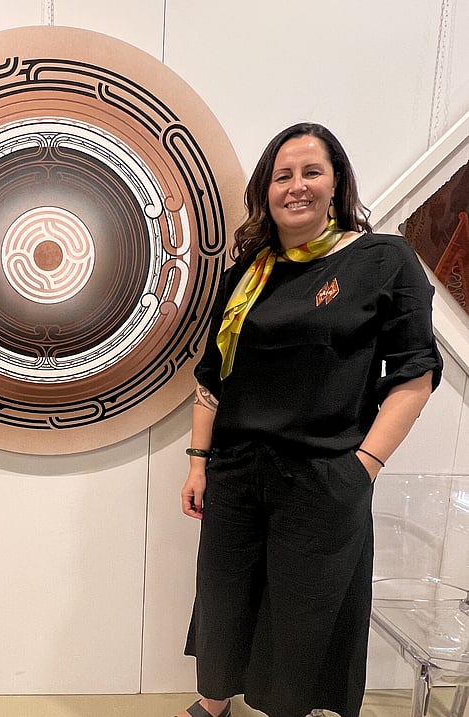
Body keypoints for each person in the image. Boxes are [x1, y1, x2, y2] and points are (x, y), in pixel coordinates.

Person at [176, 122, 442, 717]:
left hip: (323, 474)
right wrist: (197, 462)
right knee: (224, 597)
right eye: (283, 176)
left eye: (311, 172)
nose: (296, 186)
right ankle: (213, 704)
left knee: (302, 615)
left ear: (337, 182)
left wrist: (364, 465)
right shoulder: (248, 275)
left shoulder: (382, 260)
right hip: (237, 472)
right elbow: (212, 377)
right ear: (265, 191)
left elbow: (415, 373)